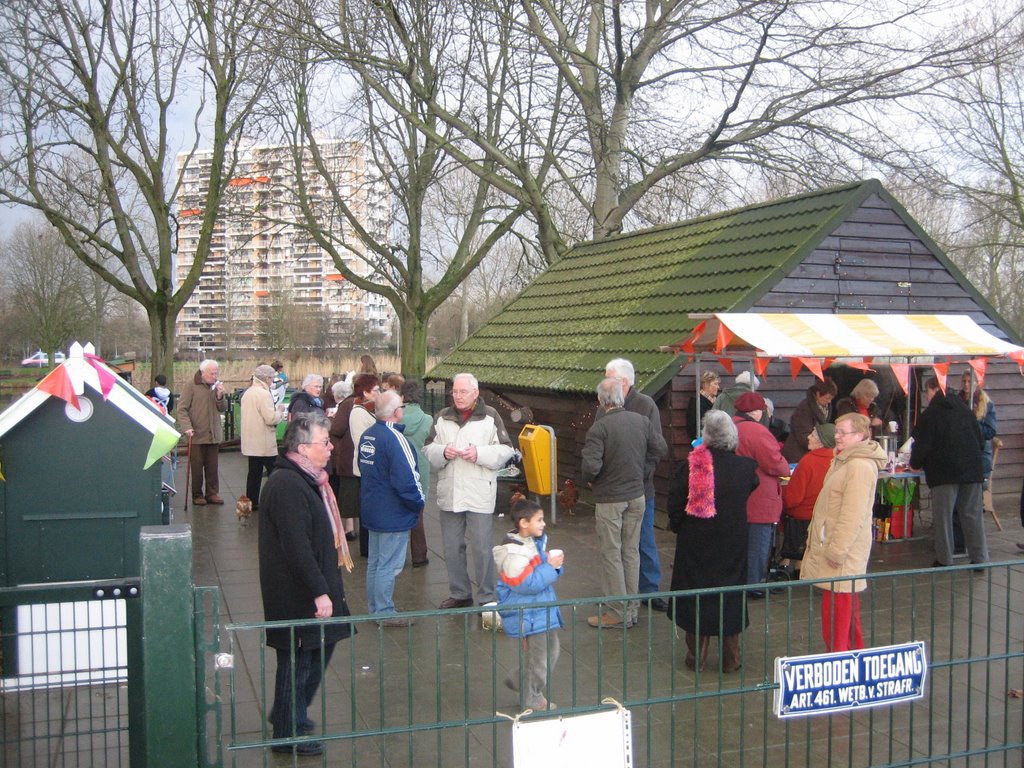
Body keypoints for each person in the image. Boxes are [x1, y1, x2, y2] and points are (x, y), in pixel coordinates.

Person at [258, 413, 354, 756]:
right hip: (297, 593)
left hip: (313, 586)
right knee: (298, 659)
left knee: (319, 649)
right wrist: (319, 591)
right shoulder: (288, 486)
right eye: (324, 443)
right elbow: (296, 547)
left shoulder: (308, 479)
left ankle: (289, 713)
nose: (330, 448)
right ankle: (287, 734)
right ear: (302, 448)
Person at [667, 411, 758, 672]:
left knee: (696, 595)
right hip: (732, 542)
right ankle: (732, 659)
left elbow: (674, 504)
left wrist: (679, 526)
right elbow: (752, 485)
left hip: (696, 542)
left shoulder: (689, 467)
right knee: (730, 595)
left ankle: (697, 656)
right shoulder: (745, 468)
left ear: (705, 436)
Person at [582, 377, 667, 628]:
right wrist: (642, 470)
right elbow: (660, 448)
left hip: (610, 498)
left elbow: (591, 467)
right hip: (637, 496)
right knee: (631, 552)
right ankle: (631, 608)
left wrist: (593, 479)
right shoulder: (641, 421)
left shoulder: (599, 429)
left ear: (600, 400)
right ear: (621, 396)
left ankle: (617, 612)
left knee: (611, 554)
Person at [425, 373, 515, 609]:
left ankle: (487, 597)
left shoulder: (491, 417)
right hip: (450, 493)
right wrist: (443, 452)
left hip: (479, 492)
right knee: (451, 548)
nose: (457, 396)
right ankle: (460, 593)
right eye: (454, 391)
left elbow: (507, 451)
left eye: (463, 392)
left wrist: (479, 454)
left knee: (482, 548)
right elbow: (427, 449)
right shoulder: (442, 417)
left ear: (475, 393)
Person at [801, 413, 886, 652]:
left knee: (838, 613)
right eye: (836, 432)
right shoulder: (846, 461)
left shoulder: (858, 466)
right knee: (843, 610)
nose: (836, 437)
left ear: (859, 435)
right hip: (837, 546)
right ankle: (849, 655)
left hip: (842, 550)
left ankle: (838, 659)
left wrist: (837, 549)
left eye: (842, 433)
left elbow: (853, 514)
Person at [601, 358, 669, 612]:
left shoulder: (645, 405)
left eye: (608, 377)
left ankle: (650, 590)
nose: (604, 381)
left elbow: (656, 448)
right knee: (615, 544)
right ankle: (621, 591)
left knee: (644, 540)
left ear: (625, 382)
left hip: (641, 489)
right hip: (612, 490)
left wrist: (640, 476)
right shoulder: (604, 405)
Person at [358, 391, 425, 626]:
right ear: (397, 412)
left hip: (373, 508)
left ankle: (375, 608)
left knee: (375, 563)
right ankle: (384, 611)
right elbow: (408, 479)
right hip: (393, 512)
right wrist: (419, 503)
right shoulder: (396, 439)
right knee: (388, 564)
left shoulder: (368, 435)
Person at [493, 499, 565, 711]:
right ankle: (530, 698)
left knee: (550, 651)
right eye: (539, 520)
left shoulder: (533, 543)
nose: (544, 524)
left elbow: (538, 573)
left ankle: (520, 680)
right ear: (524, 523)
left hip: (539, 611)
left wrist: (554, 566)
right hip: (529, 614)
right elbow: (525, 584)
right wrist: (551, 568)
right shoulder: (513, 554)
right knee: (539, 659)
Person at [910, 377, 988, 569]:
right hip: (972, 470)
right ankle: (980, 559)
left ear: (933, 390)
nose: (926, 396)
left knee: (943, 517)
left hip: (944, 472)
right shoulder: (965, 410)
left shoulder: (930, 414)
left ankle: (945, 559)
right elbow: (980, 440)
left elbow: (922, 445)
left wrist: (914, 463)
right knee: (972, 515)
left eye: (927, 392)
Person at [732, 391, 790, 596]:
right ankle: (754, 585)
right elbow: (776, 464)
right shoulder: (757, 432)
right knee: (758, 544)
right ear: (756, 412)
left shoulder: (729, 427)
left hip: (735, 496)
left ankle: (738, 581)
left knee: (738, 543)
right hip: (759, 497)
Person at [329, 374, 380, 554]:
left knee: (358, 503)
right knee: (356, 503)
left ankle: (353, 533)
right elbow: (336, 429)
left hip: (358, 461)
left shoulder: (370, 407)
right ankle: (359, 542)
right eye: (375, 390)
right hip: (353, 460)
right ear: (365, 391)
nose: (379, 393)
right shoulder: (354, 407)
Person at [781, 423, 837, 578]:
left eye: (812, 435)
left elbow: (793, 498)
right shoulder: (837, 460)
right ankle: (799, 564)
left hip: (802, 514)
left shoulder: (808, 461)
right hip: (823, 513)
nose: (808, 437)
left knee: (783, 513)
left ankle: (786, 562)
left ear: (821, 441)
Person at [177, 359, 227, 506]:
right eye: (212, 373)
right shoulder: (191, 385)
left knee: (213, 467)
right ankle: (197, 494)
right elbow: (182, 409)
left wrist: (220, 396)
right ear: (203, 372)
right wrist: (187, 427)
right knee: (197, 468)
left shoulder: (217, 386)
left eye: (216, 372)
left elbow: (222, 408)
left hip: (213, 434)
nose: (215, 375)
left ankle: (212, 493)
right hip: (196, 434)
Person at [240, 364, 287, 508]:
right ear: (267, 378)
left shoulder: (248, 392)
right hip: (264, 441)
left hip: (250, 441)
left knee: (253, 473)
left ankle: (252, 502)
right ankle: (278, 501)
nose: (272, 381)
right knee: (275, 472)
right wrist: (279, 411)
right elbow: (270, 419)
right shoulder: (263, 394)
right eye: (272, 378)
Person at [400, 379, 433, 567]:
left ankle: (398, 554)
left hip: (400, 467)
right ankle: (419, 555)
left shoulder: (395, 417)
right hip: (421, 468)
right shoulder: (428, 419)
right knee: (418, 513)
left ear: (402, 396)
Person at [782, 379, 838, 463]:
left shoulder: (826, 406)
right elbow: (803, 435)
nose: (829, 401)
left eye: (831, 398)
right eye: (827, 398)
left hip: (814, 450)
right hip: (799, 452)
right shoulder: (804, 408)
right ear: (818, 394)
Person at [687, 371, 721, 442]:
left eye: (718, 384)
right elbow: (692, 427)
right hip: (703, 443)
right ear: (706, 384)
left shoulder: (718, 400)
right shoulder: (696, 401)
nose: (718, 387)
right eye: (715, 384)